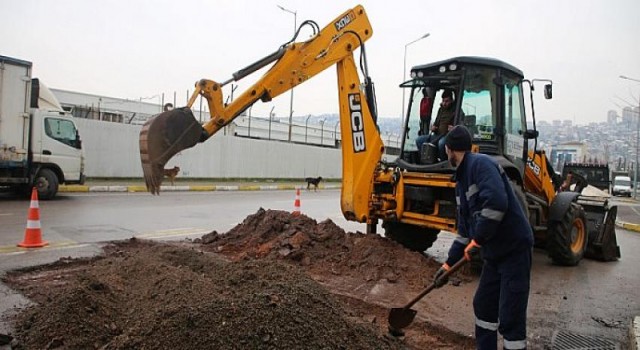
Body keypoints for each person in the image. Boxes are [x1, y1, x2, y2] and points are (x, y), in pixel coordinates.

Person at [433, 125, 533, 350]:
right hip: (494, 255)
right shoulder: (460, 181)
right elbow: (464, 233)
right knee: (484, 305)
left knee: (510, 316)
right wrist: (448, 265)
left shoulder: (481, 165)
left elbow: (497, 203)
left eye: (446, 150)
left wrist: (477, 241)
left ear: (449, 149)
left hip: (513, 250)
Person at [416, 89, 456, 161]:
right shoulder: (441, 110)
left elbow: (461, 126)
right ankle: (425, 161)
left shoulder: (456, 111)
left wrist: (454, 128)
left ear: (451, 101)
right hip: (437, 135)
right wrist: (434, 127)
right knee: (419, 140)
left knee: (441, 143)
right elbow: (436, 123)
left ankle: (443, 162)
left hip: (448, 136)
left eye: (447, 101)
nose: (444, 103)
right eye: (443, 101)